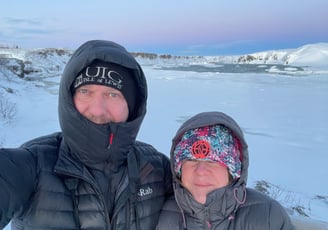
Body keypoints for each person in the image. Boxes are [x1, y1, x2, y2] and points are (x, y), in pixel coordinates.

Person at [0, 40, 173, 229]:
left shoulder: (156, 168)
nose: (97, 110)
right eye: (85, 91)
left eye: (112, 94)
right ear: (69, 99)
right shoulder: (31, 165)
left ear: (132, 107)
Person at [156, 111, 295, 229]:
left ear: (232, 170)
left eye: (213, 161)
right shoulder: (158, 215)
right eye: (191, 160)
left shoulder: (268, 218)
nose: (201, 170)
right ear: (178, 169)